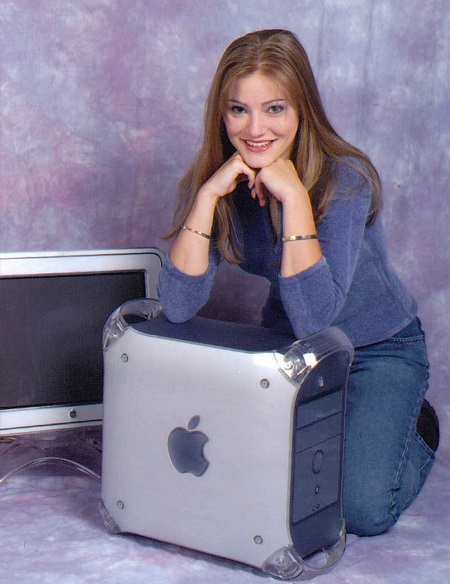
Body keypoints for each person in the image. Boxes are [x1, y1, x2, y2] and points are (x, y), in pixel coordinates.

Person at [157, 29, 439, 536]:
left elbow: (316, 316)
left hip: (378, 349)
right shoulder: (229, 182)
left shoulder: (345, 178)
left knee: (359, 509)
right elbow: (177, 304)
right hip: (292, 352)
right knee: (257, 485)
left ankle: (415, 428)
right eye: (238, 110)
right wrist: (207, 196)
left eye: (274, 109)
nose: (254, 128)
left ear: (302, 109)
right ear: (221, 115)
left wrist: (295, 200)